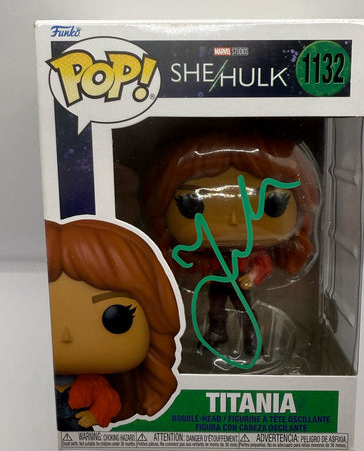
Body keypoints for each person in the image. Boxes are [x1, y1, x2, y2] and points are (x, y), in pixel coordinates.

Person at [144, 133, 320, 357]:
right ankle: (217, 332)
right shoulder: (202, 252)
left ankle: (251, 337)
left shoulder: (256, 253)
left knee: (244, 309)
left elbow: (263, 265)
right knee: (216, 307)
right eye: (192, 204)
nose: (235, 220)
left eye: (272, 203)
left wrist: (251, 278)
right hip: (218, 281)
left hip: (239, 282)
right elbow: (193, 261)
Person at [46, 219, 180, 430]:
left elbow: (107, 399)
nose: (66, 336)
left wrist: (94, 415)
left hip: (78, 427)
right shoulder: (37, 380)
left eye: (116, 318)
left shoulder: (93, 383)